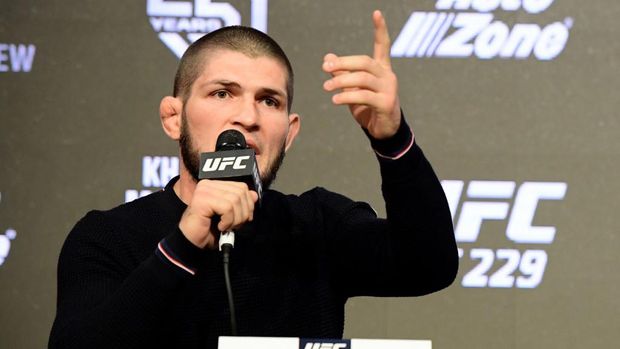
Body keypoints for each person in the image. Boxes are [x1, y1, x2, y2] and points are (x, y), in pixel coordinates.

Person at [49, 10, 458, 349]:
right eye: (223, 93)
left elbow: (429, 265)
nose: (248, 117)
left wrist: (393, 139)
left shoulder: (317, 225)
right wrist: (182, 246)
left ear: (290, 131)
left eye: (269, 100)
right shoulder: (106, 237)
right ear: (174, 118)